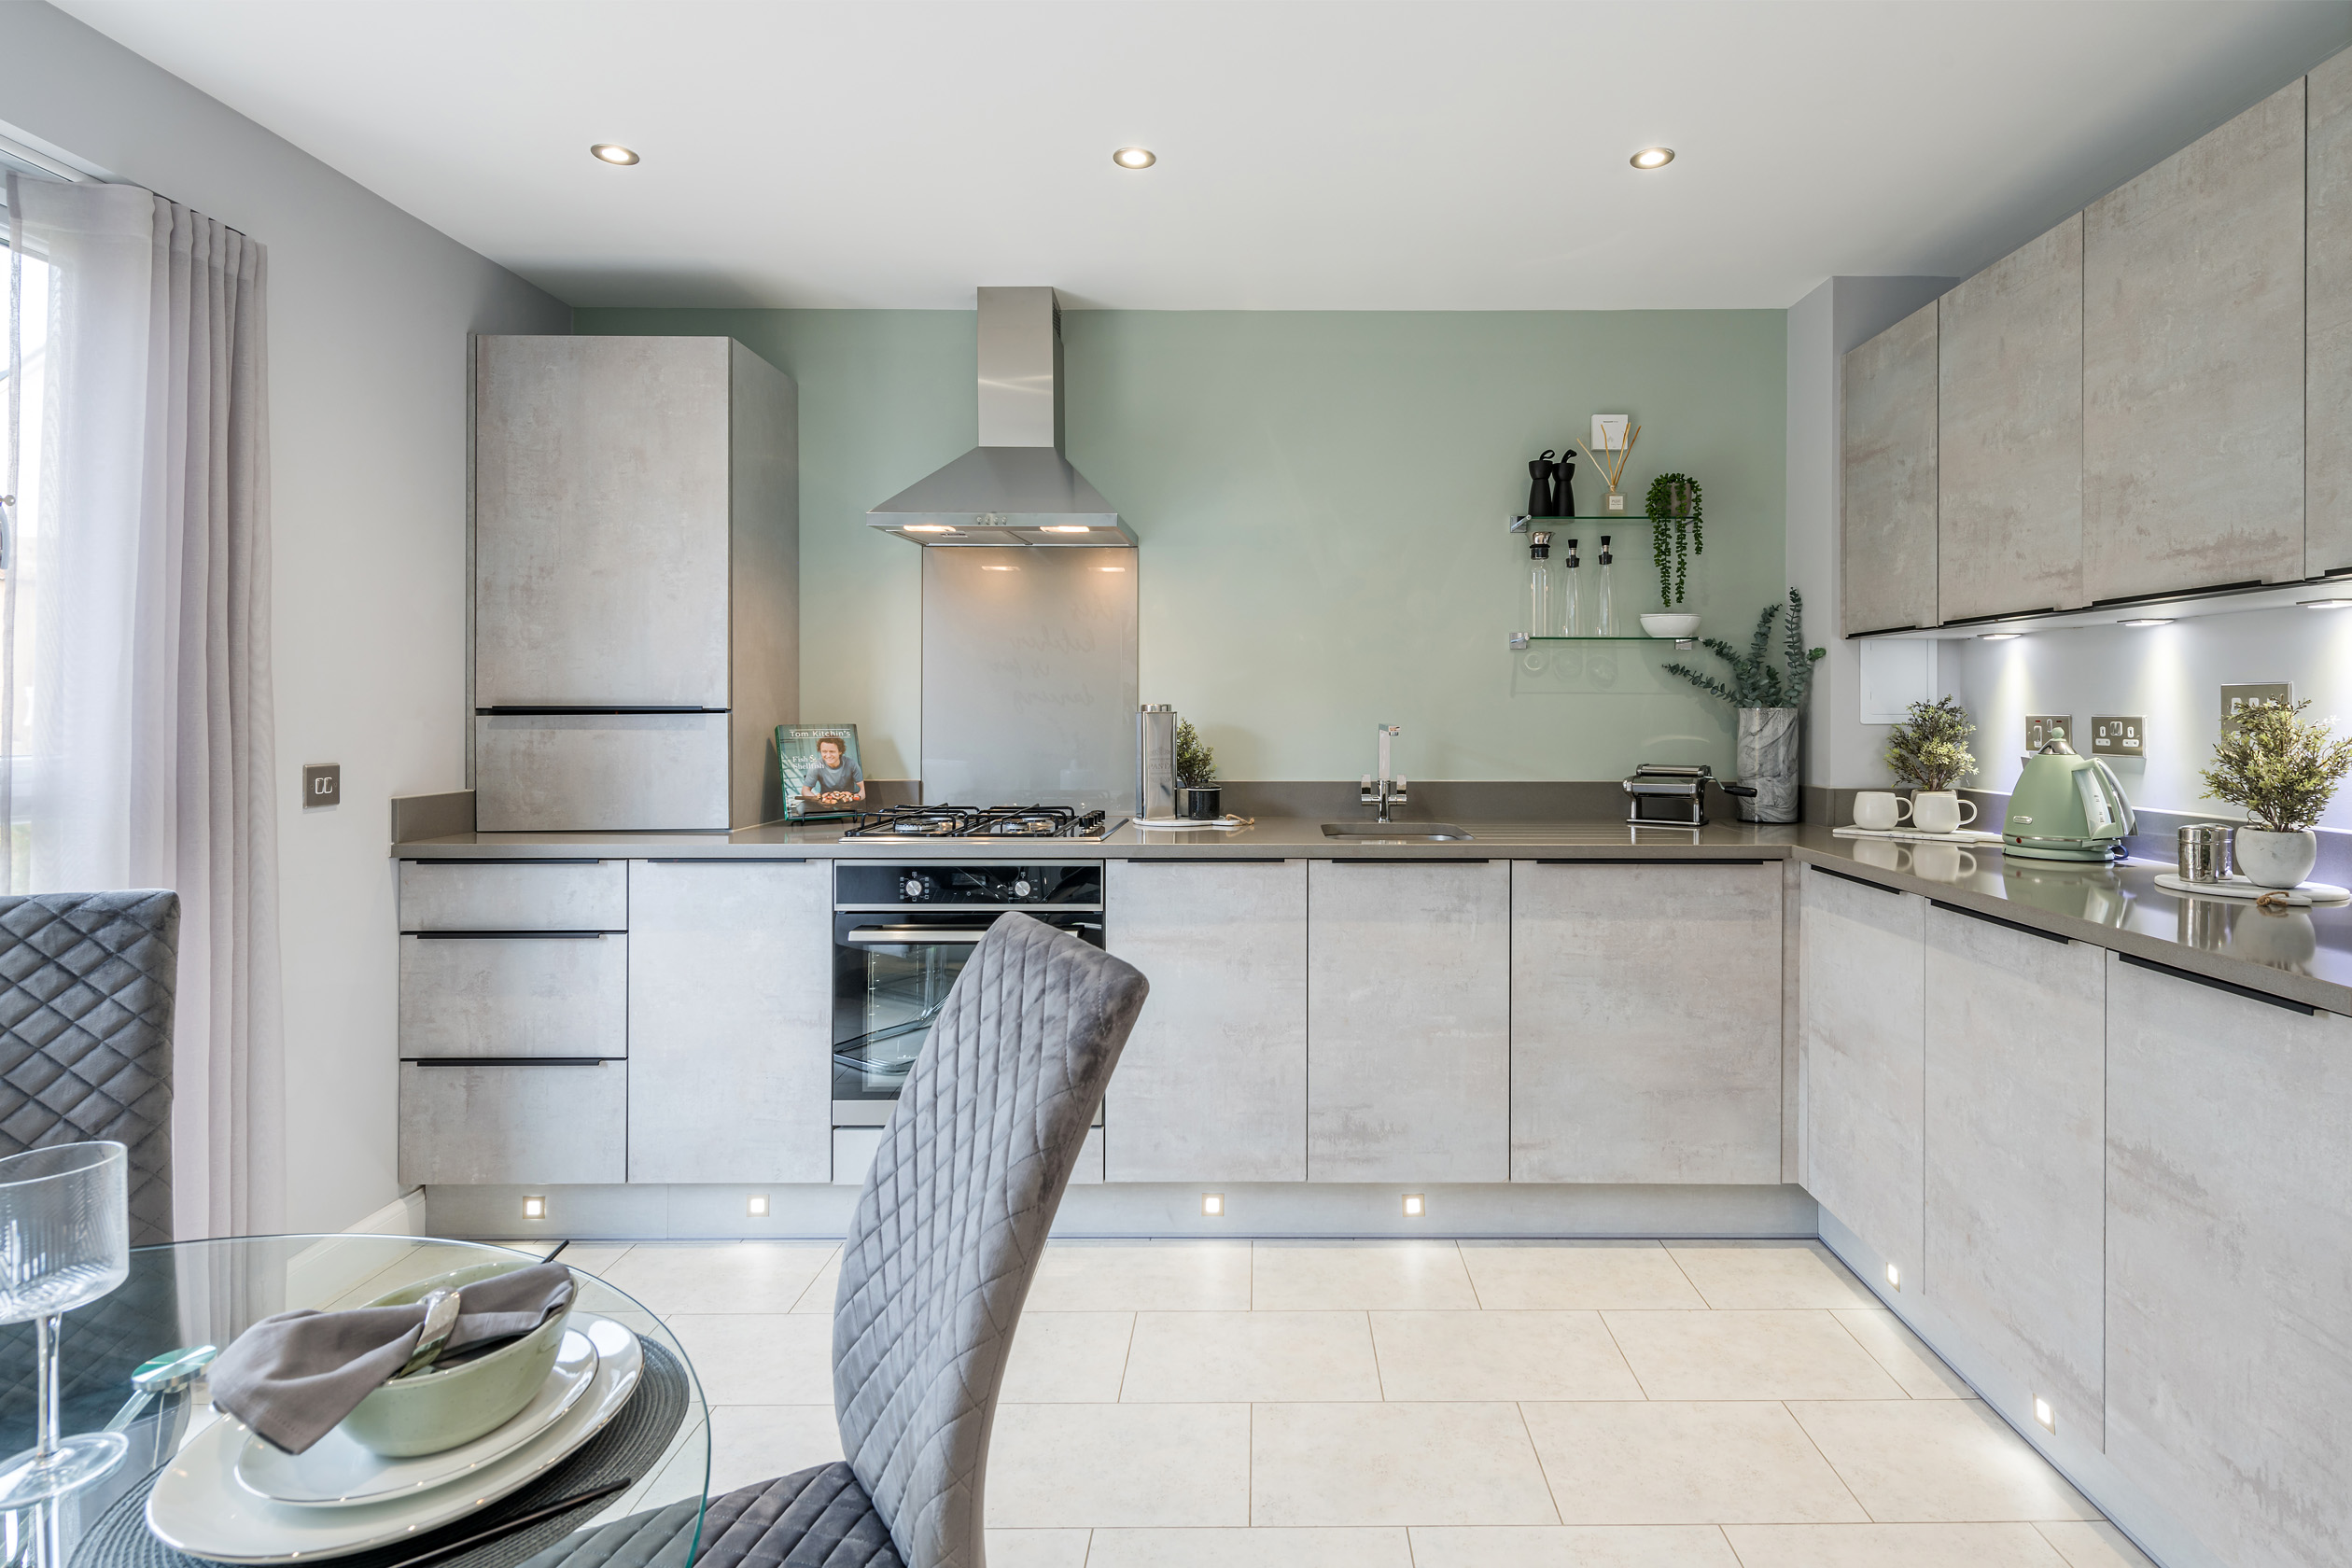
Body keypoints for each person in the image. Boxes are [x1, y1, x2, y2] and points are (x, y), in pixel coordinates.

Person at [800, 735, 865, 806]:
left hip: (848, 803)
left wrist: (856, 798)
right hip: (825, 804)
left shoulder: (851, 764)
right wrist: (818, 800)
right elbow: (805, 790)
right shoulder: (816, 766)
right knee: (801, 808)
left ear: (840, 751)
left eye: (832, 751)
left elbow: (864, 788)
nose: (828, 755)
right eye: (824, 751)